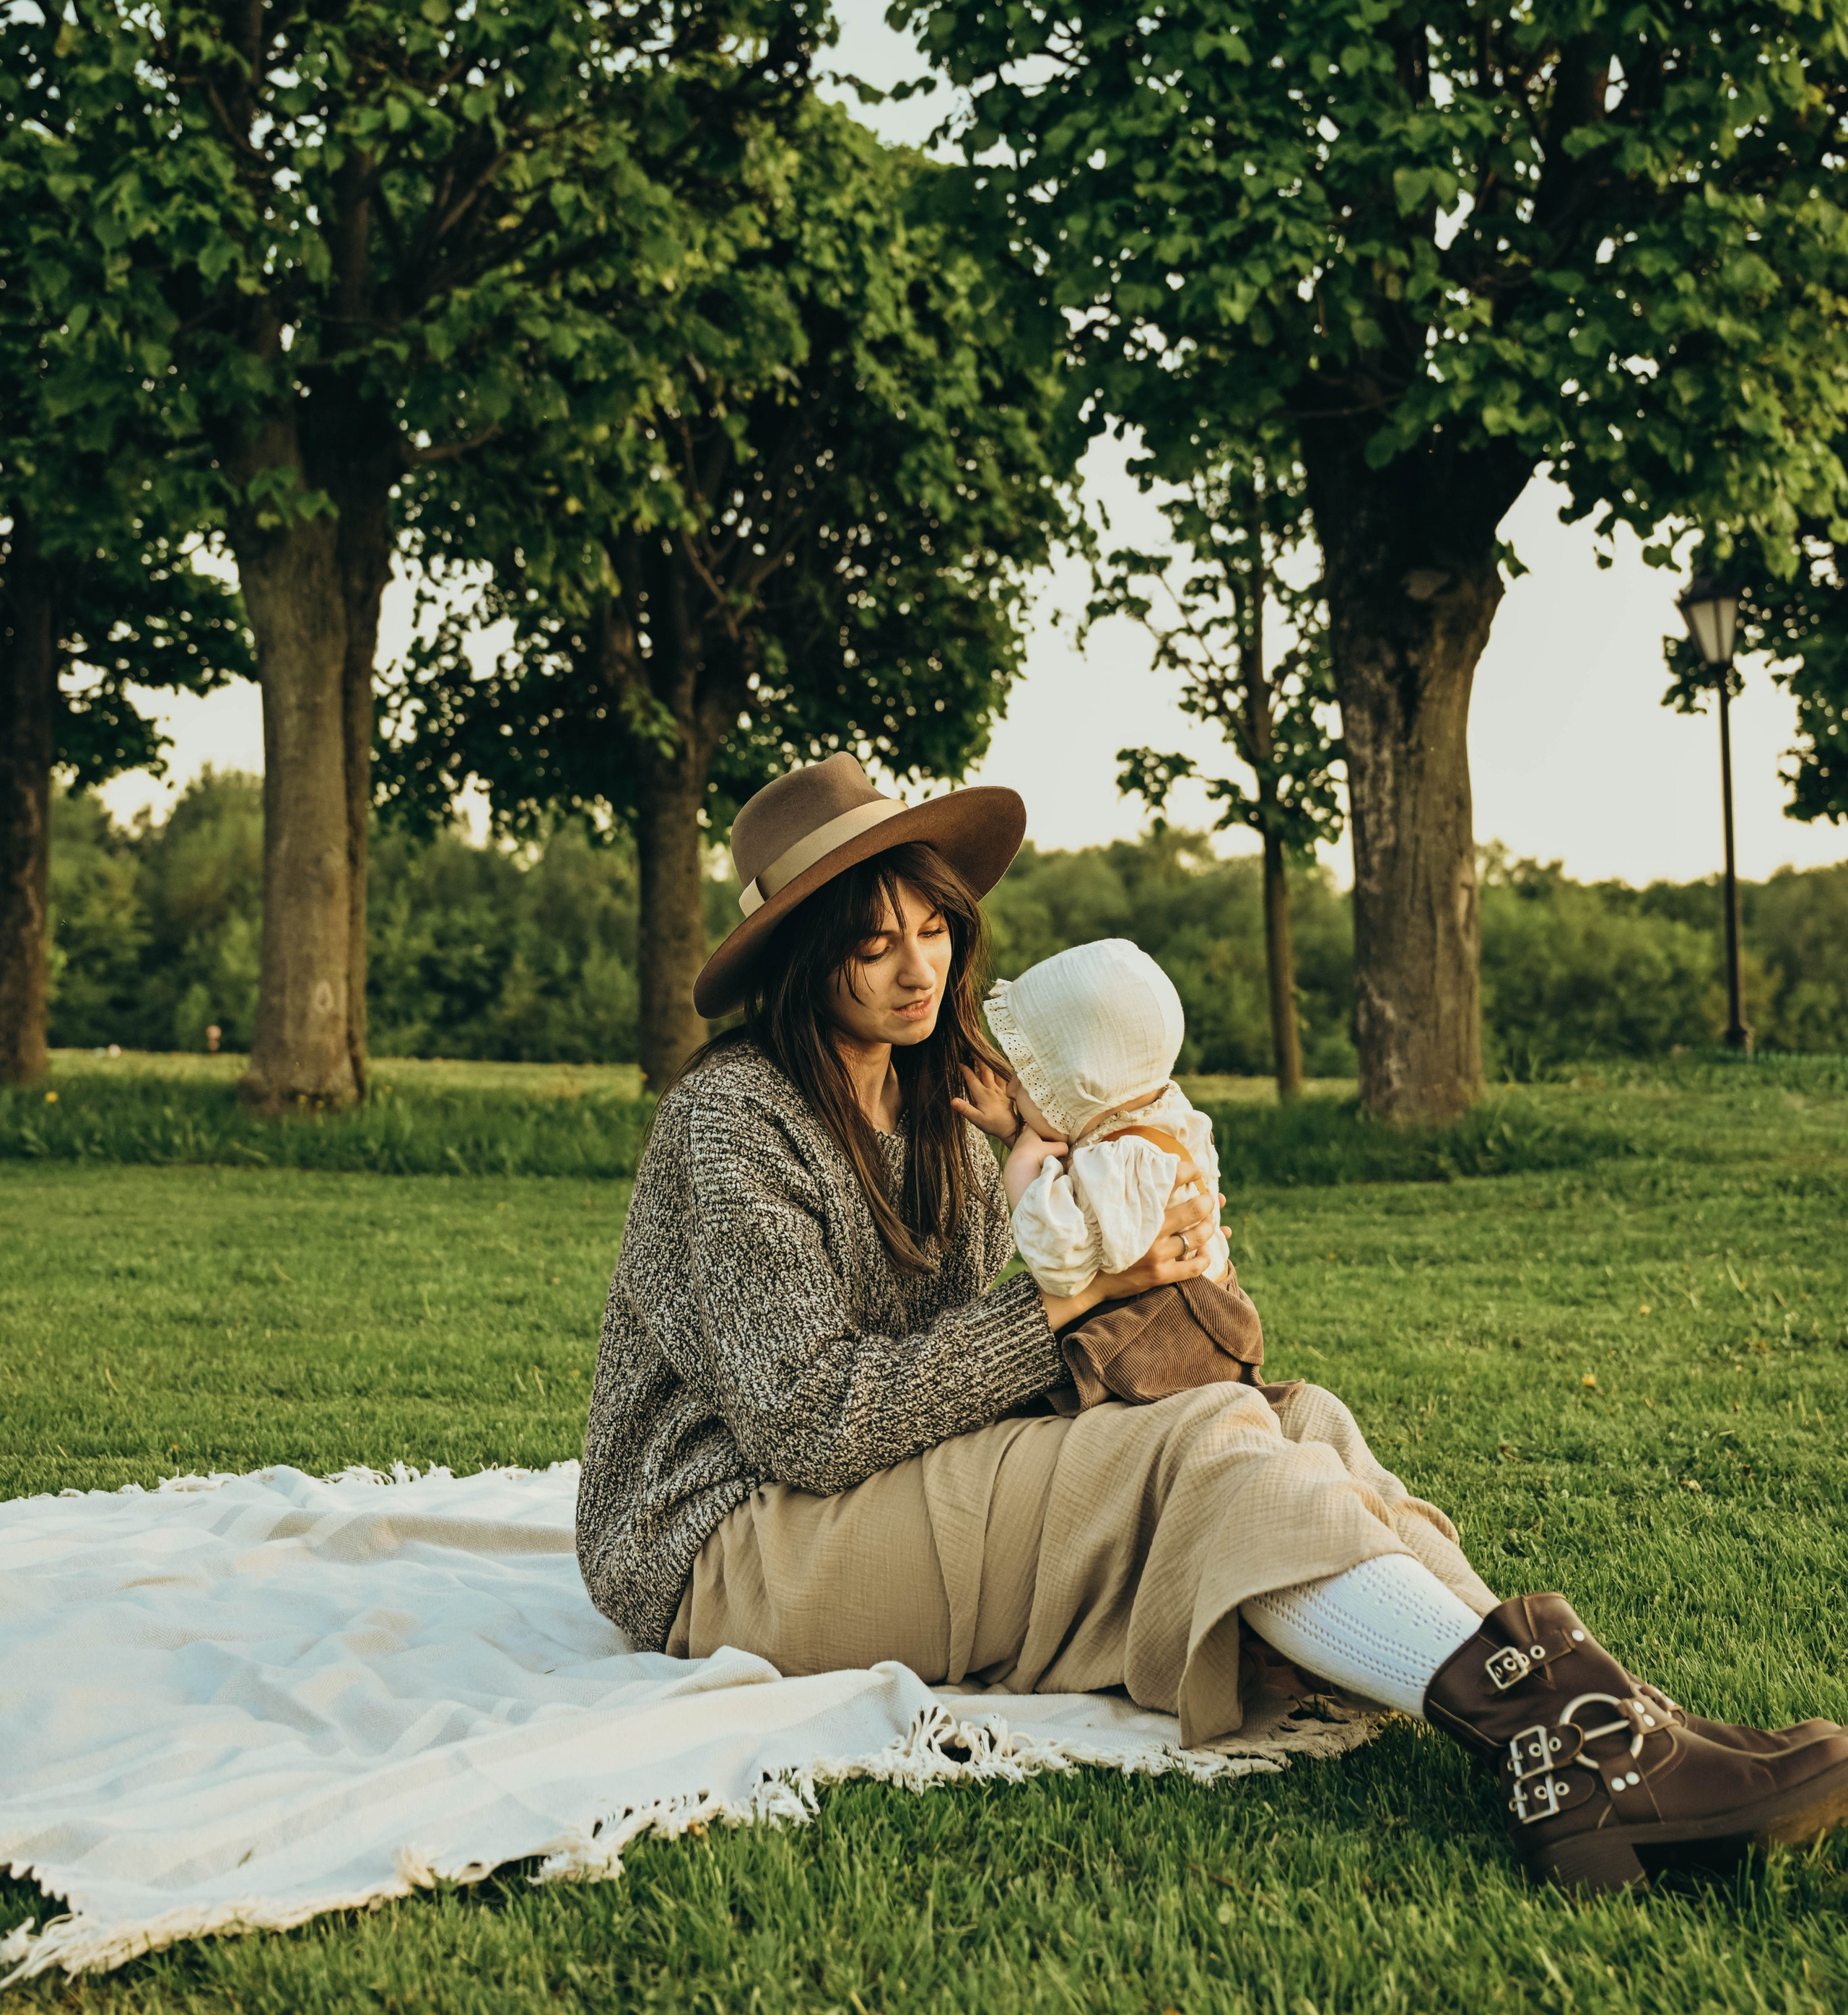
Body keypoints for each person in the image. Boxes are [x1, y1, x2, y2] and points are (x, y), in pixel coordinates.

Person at [577, 754, 1848, 1897]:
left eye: (935, 931)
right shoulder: (735, 1120)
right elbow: (811, 1421)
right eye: (872, 945)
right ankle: (1562, 1747)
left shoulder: (949, 1110)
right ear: (807, 959)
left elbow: (991, 1372)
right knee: (1195, 1456)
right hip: (731, 1543)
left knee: (1289, 1419)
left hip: (869, 1486)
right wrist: (1073, 1309)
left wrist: (1139, 1279)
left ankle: (1596, 1725)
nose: (921, 970)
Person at [961, 936, 1234, 1292]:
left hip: (1153, 1340)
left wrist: (1022, 1169)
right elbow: (1087, 1201)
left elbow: (1063, 1266)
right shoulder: (1161, 1122)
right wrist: (1015, 1133)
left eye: (1027, 1077)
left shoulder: (1125, 1161)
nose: (1011, 1089)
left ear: (1078, 1082)